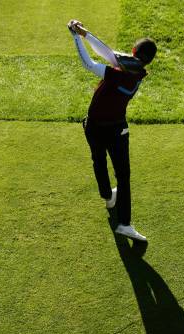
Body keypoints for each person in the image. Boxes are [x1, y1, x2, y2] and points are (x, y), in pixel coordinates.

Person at [67, 19, 157, 241]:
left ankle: (110, 199)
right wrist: (85, 33)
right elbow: (108, 53)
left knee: (99, 162)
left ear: (134, 51)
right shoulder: (136, 72)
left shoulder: (120, 73)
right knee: (123, 176)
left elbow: (90, 63)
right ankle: (121, 218)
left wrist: (75, 37)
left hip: (96, 127)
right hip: (116, 130)